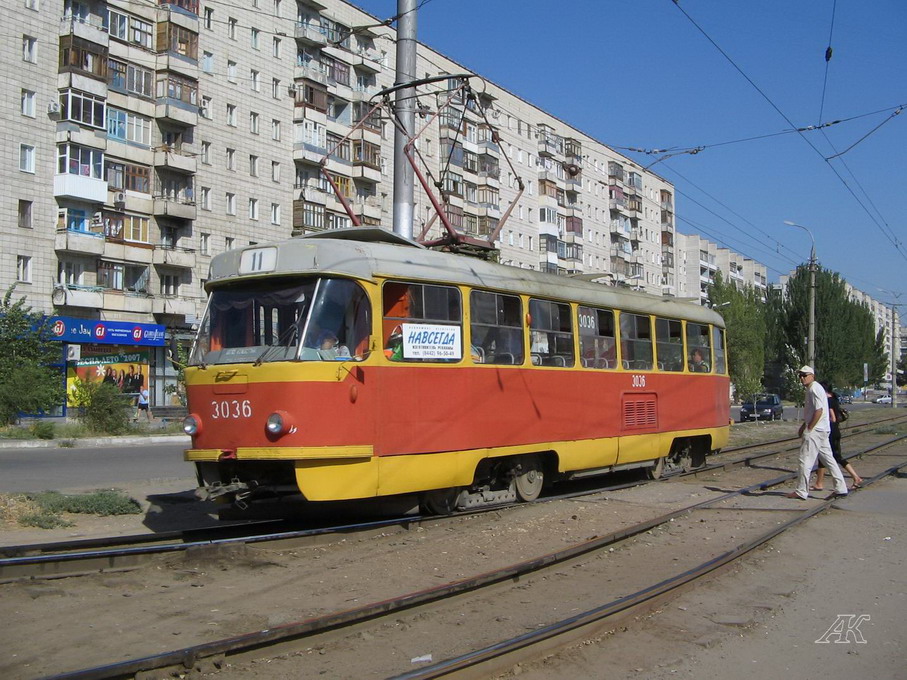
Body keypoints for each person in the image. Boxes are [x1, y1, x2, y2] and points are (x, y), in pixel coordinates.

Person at [787, 366, 847, 499]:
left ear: (812, 375)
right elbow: (813, 411)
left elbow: (819, 410)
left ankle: (801, 491)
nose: (802, 378)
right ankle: (841, 487)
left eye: (804, 375)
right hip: (823, 429)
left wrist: (809, 428)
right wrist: (804, 425)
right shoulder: (815, 388)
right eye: (800, 376)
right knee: (828, 459)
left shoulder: (814, 388)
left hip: (816, 430)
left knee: (804, 460)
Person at [812, 382, 863, 490]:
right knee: (823, 457)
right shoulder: (834, 398)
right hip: (835, 431)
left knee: (836, 456)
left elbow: (833, 418)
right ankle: (819, 483)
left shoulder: (828, 401)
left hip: (831, 431)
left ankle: (856, 477)